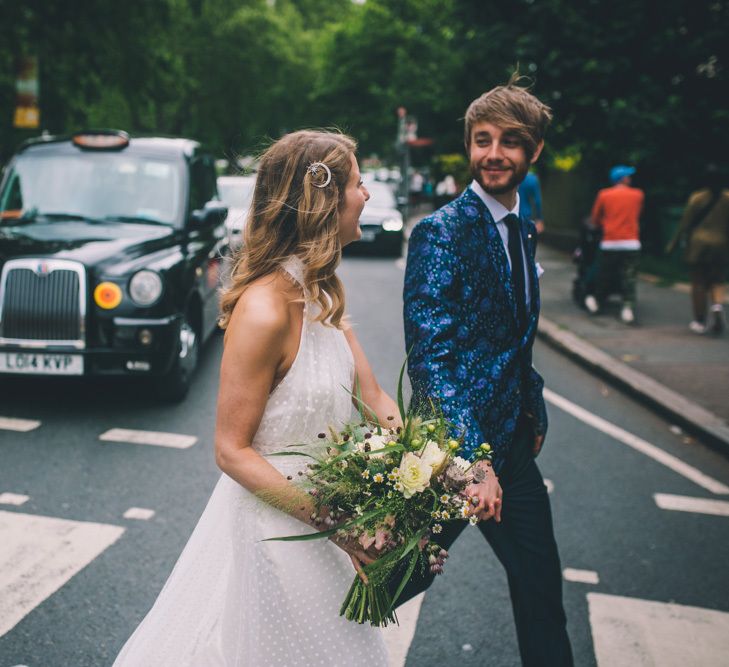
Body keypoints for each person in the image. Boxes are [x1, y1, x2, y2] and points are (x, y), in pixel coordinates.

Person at [113, 130, 400, 666]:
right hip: (273, 540)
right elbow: (231, 449)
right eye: (359, 185)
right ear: (324, 200)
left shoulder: (321, 294)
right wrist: (341, 525)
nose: (367, 195)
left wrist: (433, 473)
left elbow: (375, 396)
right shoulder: (264, 309)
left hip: (324, 537)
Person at [402, 78, 573, 666]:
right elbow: (431, 359)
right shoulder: (441, 233)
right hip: (451, 452)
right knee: (393, 582)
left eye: (509, 142)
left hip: (514, 446)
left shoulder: (522, 229)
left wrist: (534, 403)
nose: (493, 153)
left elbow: (513, 340)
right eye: (482, 140)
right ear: (468, 146)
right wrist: (472, 463)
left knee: (542, 594)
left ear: (535, 152)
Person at [666, 164, 728, 335]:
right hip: (721, 245)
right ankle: (716, 307)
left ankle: (700, 321)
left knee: (699, 283)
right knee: (718, 280)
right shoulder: (727, 198)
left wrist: (673, 244)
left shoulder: (697, 198)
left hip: (698, 245)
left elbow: (684, 224)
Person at [584, 165, 645, 324]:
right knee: (629, 276)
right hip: (631, 242)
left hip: (610, 242)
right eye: (628, 176)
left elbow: (595, 219)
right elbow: (637, 215)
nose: (630, 179)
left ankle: (597, 302)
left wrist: (604, 223)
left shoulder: (604, 195)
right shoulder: (638, 195)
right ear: (623, 178)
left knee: (604, 274)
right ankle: (627, 308)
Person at [518, 169, 544, 233]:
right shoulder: (532, 179)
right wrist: (539, 219)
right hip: (526, 215)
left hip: (509, 215)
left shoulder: (512, 177)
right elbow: (537, 201)